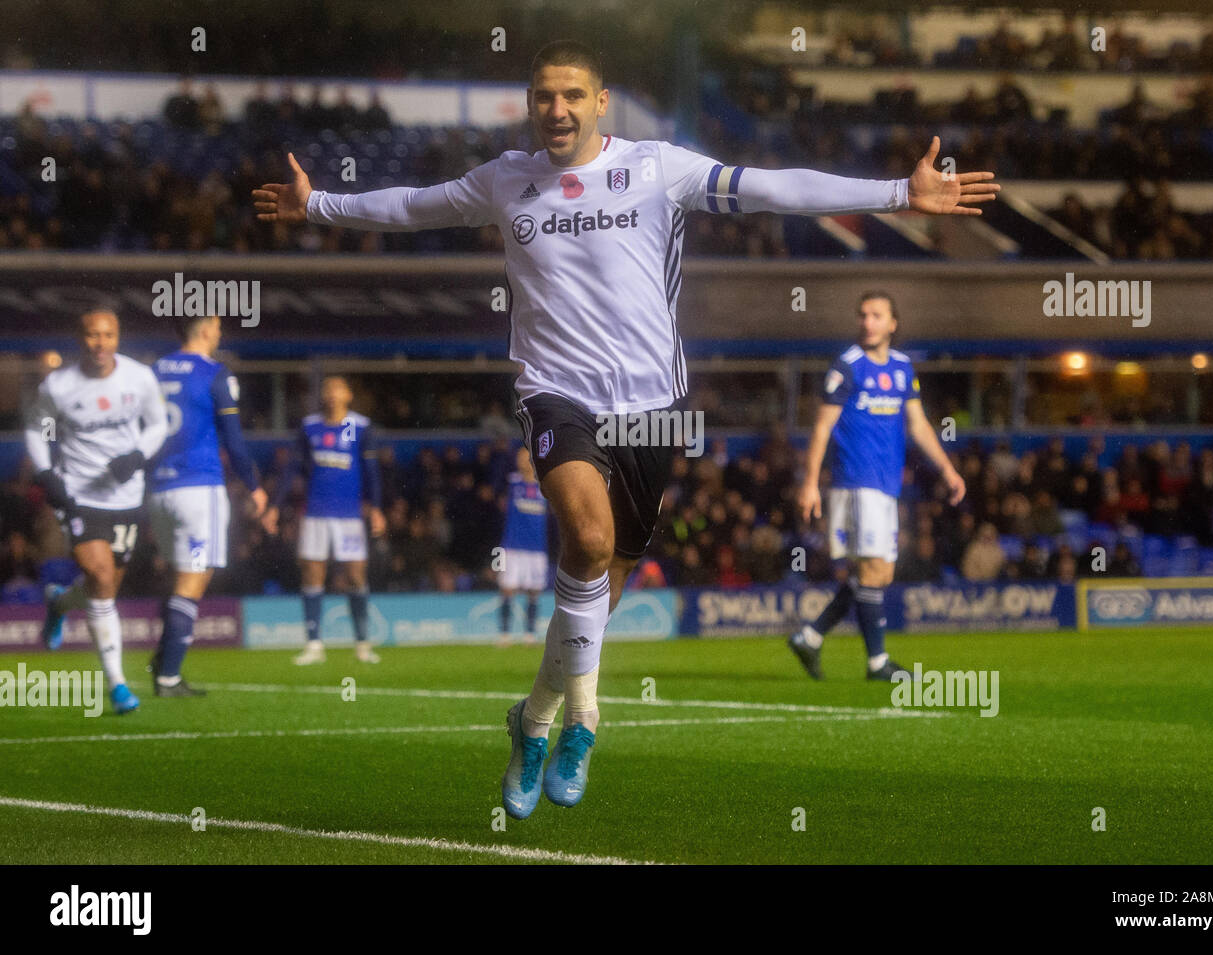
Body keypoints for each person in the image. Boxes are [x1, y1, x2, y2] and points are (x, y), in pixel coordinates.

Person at [251, 40, 999, 818]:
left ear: (600, 101)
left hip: (654, 409)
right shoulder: (505, 179)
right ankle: (584, 720)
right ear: (530, 103)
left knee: (599, 593)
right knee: (588, 540)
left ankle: (532, 719)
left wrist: (894, 194)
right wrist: (319, 206)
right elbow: (411, 205)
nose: (558, 109)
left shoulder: (656, 168)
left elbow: (770, 188)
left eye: (573, 94)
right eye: (544, 96)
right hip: (556, 395)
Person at [789, 292, 966, 680]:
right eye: (863, 315)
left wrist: (948, 470)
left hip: (886, 486)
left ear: (892, 324)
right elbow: (822, 427)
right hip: (856, 481)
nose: (867, 322)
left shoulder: (903, 368)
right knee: (874, 569)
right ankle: (878, 663)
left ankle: (811, 636)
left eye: (876, 315)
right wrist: (810, 483)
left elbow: (917, 425)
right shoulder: (847, 367)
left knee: (879, 575)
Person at [26, 310, 167, 714]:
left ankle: (59, 603)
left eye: (108, 334)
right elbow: (43, 427)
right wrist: (47, 471)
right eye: (92, 335)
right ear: (80, 337)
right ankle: (118, 685)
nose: (100, 343)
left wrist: (138, 455)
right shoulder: (60, 386)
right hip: (77, 496)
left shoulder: (139, 378)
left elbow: (157, 424)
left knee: (103, 587)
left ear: (118, 338)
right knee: (100, 576)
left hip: (125, 497)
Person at [147, 315, 267, 696]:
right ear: (203, 330)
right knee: (193, 580)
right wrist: (253, 485)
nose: (220, 333)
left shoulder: (152, 371)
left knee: (179, 576)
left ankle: (164, 655)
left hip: (158, 491)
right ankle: (168, 675)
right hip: (198, 488)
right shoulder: (215, 373)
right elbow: (233, 437)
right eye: (216, 327)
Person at [262, 377, 384, 664]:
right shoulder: (310, 427)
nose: (331, 393)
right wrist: (275, 507)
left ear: (348, 394)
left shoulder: (359, 427)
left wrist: (376, 508)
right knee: (312, 574)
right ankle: (314, 645)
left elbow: (370, 470)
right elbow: (292, 468)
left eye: (337, 388)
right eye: (326, 388)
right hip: (315, 512)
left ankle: (362, 643)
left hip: (349, 515)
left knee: (355, 575)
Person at [497, 446, 549, 643]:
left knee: (534, 591)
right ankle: (504, 633)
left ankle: (530, 633)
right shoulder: (511, 482)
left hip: (537, 548)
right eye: (520, 458)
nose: (523, 462)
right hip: (511, 547)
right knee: (506, 588)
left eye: (526, 458)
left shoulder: (544, 485)